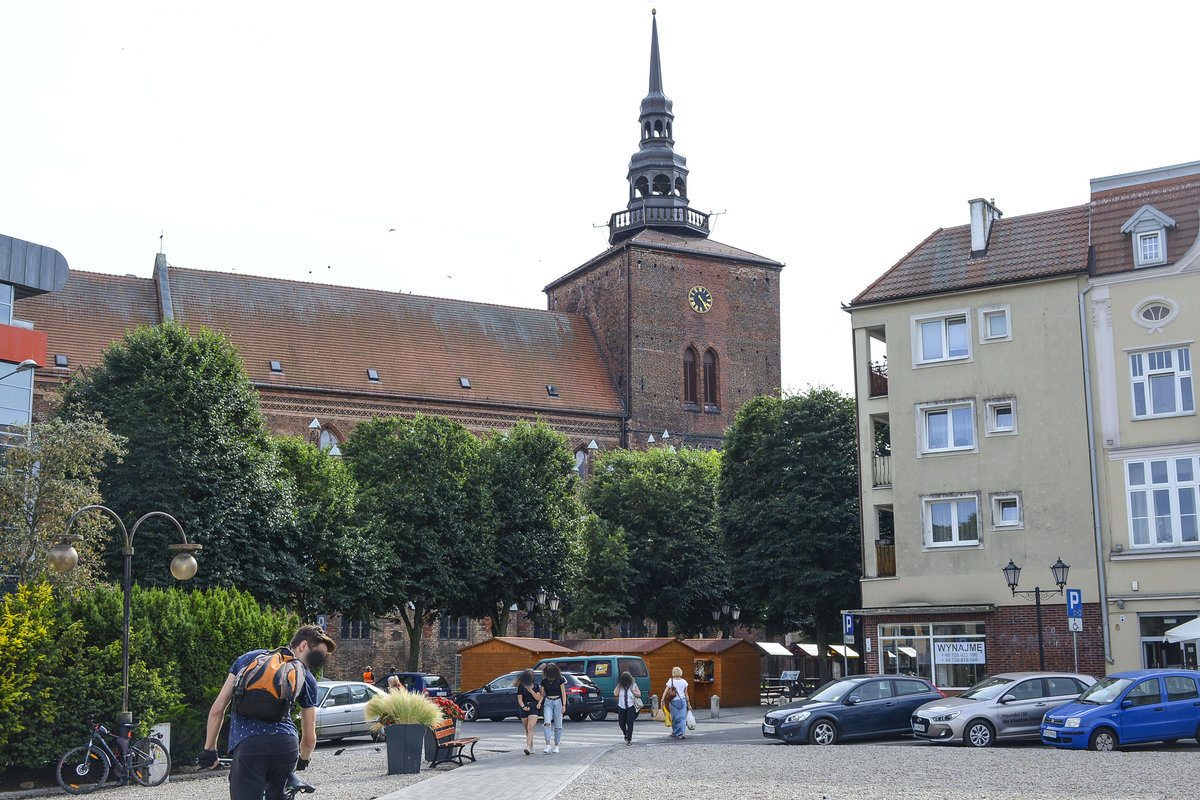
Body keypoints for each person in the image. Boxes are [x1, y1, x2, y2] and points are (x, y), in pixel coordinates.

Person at [199, 624, 335, 800]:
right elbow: (309, 738)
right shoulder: (306, 677)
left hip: (249, 747)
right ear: (302, 646)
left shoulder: (248, 659)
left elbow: (217, 710)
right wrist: (303, 760)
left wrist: (209, 751)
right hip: (285, 747)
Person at [538, 663, 567, 753]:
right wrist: (539, 702)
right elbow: (542, 694)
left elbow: (563, 693)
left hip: (558, 701)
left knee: (558, 725)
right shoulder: (544, 681)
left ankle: (556, 745)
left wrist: (564, 705)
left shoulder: (560, 680)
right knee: (547, 722)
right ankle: (547, 745)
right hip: (548, 702)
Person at [514, 669, 543, 755]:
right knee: (527, 729)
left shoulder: (535, 686)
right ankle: (531, 746)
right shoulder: (521, 686)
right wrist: (523, 707)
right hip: (525, 707)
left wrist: (532, 691)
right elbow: (520, 699)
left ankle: (527, 747)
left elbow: (538, 698)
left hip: (533, 707)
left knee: (530, 728)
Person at [614, 670, 642, 745]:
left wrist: (634, 692)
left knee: (630, 722)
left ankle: (629, 739)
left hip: (631, 706)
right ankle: (625, 732)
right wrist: (619, 685)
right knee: (621, 723)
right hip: (621, 706)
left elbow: (639, 694)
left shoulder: (633, 685)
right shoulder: (620, 685)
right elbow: (615, 693)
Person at [664, 666, 690, 739]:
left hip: (673, 701)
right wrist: (689, 703)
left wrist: (662, 699)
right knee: (682, 718)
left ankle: (675, 732)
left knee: (674, 717)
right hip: (682, 701)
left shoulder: (671, 681)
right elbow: (686, 693)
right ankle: (683, 733)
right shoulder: (684, 682)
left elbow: (666, 691)